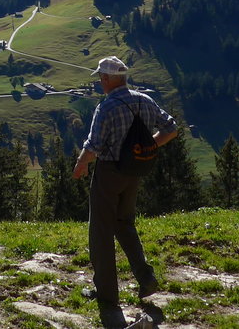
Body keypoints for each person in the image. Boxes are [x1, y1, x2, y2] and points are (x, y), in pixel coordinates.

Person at [72, 55, 177, 324]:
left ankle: (107, 295)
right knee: (125, 223)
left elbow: (94, 144)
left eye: (100, 77)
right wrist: (149, 147)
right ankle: (146, 278)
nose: (99, 82)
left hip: (109, 172)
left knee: (101, 231)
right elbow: (171, 128)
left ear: (107, 79)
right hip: (136, 171)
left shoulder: (106, 106)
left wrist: (81, 163)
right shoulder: (145, 100)